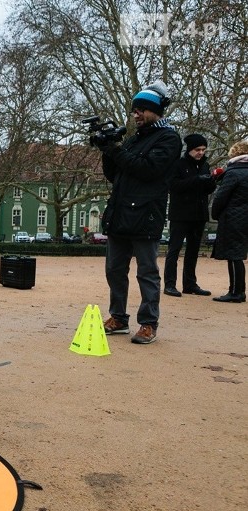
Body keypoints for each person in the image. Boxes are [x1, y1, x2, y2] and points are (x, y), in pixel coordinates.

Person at [98, 81, 181, 344]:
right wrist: (107, 151)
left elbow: (147, 170)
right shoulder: (134, 139)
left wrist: (116, 150)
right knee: (114, 269)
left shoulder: (169, 138)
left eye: (141, 110)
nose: (135, 115)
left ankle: (148, 323)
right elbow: (115, 174)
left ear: (154, 111)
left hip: (146, 214)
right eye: (135, 110)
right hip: (121, 213)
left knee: (147, 272)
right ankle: (119, 317)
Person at [163, 133, 216, 297]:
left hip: (199, 214)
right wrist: (197, 180)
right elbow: (173, 186)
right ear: (190, 149)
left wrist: (212, 181)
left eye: (203, 149)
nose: (200, 153)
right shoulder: (178, 165)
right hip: (180, 214)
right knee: (174, 250)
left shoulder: (205, 165)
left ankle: (190, 284)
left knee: (193, 251)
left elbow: (207, 190)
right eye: (197, 150)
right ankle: (170, 284)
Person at [210, 140, 248, 303]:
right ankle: (238, 291)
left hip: (233, 216)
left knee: (234, 255)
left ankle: (236, 292)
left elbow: (221, 197)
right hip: (244, 216)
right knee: (237, 254)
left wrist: (216, 213)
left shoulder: (234, 172)